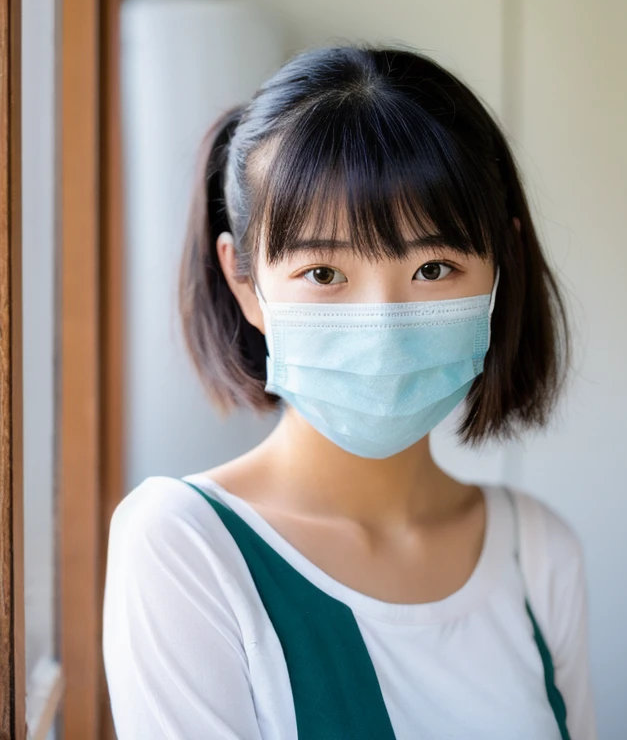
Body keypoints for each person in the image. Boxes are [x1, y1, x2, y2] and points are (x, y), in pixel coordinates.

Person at [102, 45, 598, 739]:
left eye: (433, 267)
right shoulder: (187, 547)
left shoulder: (540, 551)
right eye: (324, 273)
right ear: (246, 284)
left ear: (501, 268)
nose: (386, 328)